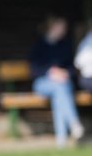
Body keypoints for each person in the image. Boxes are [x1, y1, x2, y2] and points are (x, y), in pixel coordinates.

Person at [30, 15, 84, 146]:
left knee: (59, 93)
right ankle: (73, 122)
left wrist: (65, 73)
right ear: (53, 27)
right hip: (42, 83)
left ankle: (61, 141)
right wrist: (50, 72)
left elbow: (73, 68)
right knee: (59, 88)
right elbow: (34, 70)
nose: (64, 30)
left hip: (63, 84)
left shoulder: (66, 46)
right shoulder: (39, 46)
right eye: (61, 27)